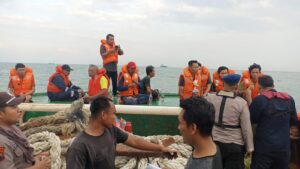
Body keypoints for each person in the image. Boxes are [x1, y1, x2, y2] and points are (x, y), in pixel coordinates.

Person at [66, 96, 176, 169]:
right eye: (114, 113)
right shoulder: (79, 147)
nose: (115, 117)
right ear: (103, 115)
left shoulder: (110, 130)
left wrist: (160, 148)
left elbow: (134, 141)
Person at [249, 75, 299, 169]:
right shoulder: (289, 99)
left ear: (259, 87)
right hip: (283, 147)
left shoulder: (260, 100)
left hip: (263, 148)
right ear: (273, 85)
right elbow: (294, 121)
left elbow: (250, 119)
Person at [205, 74, 254, 169]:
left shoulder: (210, 98)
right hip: (234, 145)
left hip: (214, 142)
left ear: (223, 84)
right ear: (236, 86)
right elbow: (246, 128)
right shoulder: (241, 103)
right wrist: (250, 148)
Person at [0, 92, 50, 169]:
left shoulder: (13, 128)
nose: (19, 110)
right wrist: (38, 167)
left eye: (17, 106)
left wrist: (35, 159)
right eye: (13, 107)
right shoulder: (1, 142)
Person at [178, 97, 222, 169]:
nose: (178, 127)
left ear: (193, 128)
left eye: (180, 123)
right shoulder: (210, 146)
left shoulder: (203, 165)